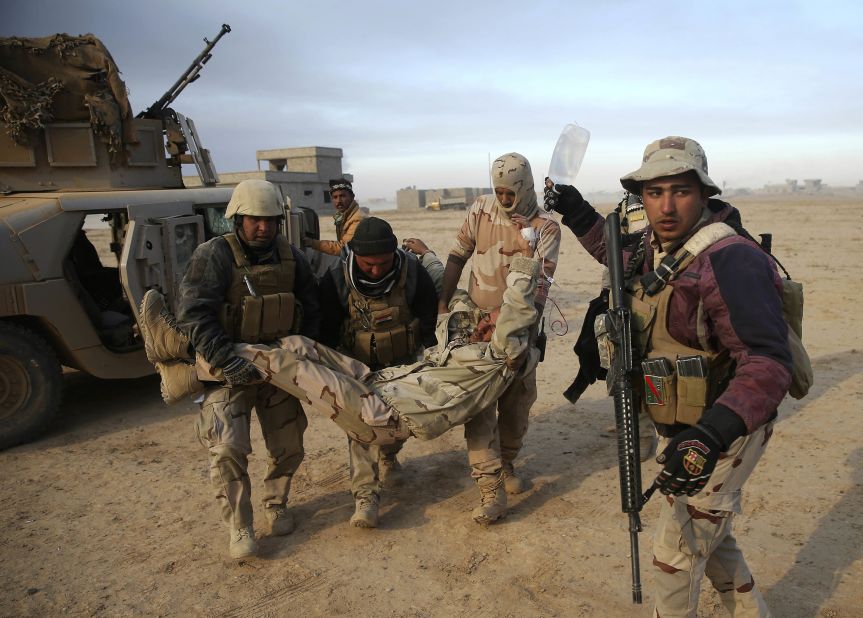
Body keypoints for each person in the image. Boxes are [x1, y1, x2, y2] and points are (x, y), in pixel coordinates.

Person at [139, 227, 543, 524]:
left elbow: (519, 306)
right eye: (487, 319)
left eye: (493, 320)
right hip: (380, 383)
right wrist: (433, 257)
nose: (485, 320)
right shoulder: (468, 335)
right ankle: (187, 374)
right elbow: (448, 293)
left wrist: (527, 256)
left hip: (387, 413)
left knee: (283, 366)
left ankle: (185, 353)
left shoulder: (499, 356)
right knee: (296, 345)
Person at [546, 136, 791, 616]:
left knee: (674, 556)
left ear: (704, 195)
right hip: (684, 428)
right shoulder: (653, 248)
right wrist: (576, 211)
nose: (666, 205)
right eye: (654, 193)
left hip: (726, 430)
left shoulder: (730, 260)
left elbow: (767, 362)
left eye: (680, 191)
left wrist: (709, 436)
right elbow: (611, 251)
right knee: (708, 535)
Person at [173, 179, 321, 559]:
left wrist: (304, 348)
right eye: (255, 220)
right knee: (225, 448)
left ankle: (277, 503)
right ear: (237, 219)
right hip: (228, 368)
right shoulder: (213, 256)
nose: (264, 228)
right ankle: (240, 526)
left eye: (271, 220)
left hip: (277, 367)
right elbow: (194, 315)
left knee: (289, 445)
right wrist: (226, 360)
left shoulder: (292, 258)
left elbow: (313, 307)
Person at [438, 152, 561, 523]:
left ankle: (506, 464)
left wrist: (504, 320)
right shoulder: (480, 210)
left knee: (515, 408)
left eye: (510, 193)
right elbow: (458, 255)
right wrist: (443, 303)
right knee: (479, 411)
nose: (504, 200)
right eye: (498, 191)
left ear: (525, 188)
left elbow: (539, 290)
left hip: (519, 333)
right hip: (477, 330)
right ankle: (489, 490)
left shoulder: (546, 229)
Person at [318, 217, 439, 528]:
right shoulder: (336, 279)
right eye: (368, 264)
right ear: (355, 255)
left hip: (403, 365)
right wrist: (340, 369)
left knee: (402, 424)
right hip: (359, 369)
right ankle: (365, 497)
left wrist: (428, 356)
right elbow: (327, 328)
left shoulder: (412, 272)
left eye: (383, 264)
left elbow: (428, 314)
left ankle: (390, 455)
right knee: (361, 429)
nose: (376, 270)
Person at [304, 178, 365, 256]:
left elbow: (342, 248)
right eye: (335, 197)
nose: (339, 201)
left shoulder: (357, 219)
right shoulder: (343, 216)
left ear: (352, 196)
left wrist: (313, 243)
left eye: (342, 196)